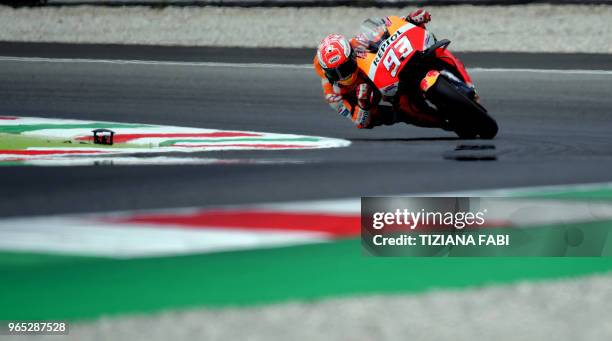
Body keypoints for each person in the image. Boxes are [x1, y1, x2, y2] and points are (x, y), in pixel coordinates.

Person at [313, 9, 470, 130]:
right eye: (336, 73)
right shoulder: (333, 95)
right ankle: (445, 124)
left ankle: (467, 84)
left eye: (345, 67)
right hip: (376, 97)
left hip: (389, 71)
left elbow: (387, 29)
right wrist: (363, 104)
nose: (344, 75)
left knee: (436, 51)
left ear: (351, 55)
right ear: (327, 72)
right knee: (406, 111)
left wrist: (410, 20)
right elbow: (361, 123)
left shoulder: (357, 43)